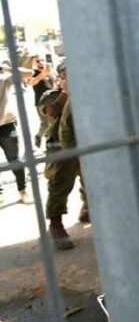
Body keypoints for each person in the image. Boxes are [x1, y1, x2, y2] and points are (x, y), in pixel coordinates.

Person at [39, 62, 89, 250]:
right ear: (59, 79)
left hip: (85, 145)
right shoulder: (50, 96)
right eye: (64, 75)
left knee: (90, 181)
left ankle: (87, 207)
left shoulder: (86, 93)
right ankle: (56, 224)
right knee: (59, 185)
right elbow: (50, 112)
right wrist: (66, 93)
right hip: (59, 149)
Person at [0, 60, 34, 206]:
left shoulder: (4, 79)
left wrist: (5, 67)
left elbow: (29, 73)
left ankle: (22, 190)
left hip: (6, 125)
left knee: (15, 160)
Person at [26, 55, 54, 148]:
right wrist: (42, 74)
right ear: (33, 63)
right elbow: (31, 82)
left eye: (42, 60)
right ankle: (39, 136)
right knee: (46, 124)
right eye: (37, 61)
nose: (41, 62)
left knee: (54, 122)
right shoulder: (33, 73)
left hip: (53, 100)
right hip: (41, 102)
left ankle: (51, 143)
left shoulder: (50, 71)